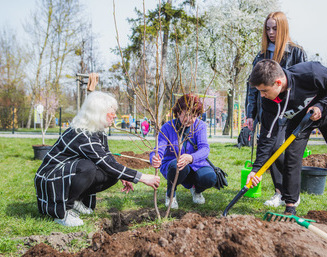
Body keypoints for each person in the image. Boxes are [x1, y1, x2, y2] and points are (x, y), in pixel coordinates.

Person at [246, 59, 327, 220]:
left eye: (264, 90)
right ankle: (290, 206)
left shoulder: (310, 72)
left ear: (278, 83)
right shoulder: (269, 101)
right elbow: (267, 136)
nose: (262, 95)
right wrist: (256, 169)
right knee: (291, 159)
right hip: (300, 120)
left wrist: (321, 106)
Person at [34, 91, 160, 227]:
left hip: (67, 174)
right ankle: (63, 211)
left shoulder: (98, 132)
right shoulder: (82, 134)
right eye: (111, 113)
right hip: (51, 179)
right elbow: (105, 163)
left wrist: (125, 176)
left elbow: (108, 158)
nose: (115, 116)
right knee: (87, 168)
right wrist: (142, 178)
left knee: (112, 174)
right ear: (98, 113)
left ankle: (76, 200)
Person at [245, 11, 307, 207]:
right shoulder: (261, 55)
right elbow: (252, 88)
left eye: (275, 28)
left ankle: (289, 191)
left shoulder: (296, 52)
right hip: (268, 112)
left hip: (289, 113)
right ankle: (281, 192)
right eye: (268, 28)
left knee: (281, 151)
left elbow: (301, 83)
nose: (271, 32)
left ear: (283, 28)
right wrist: (250, 114)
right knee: (271, 148)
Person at [150, 94, 217, 209]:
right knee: (178, 165)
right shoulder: (167, 127)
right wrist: (155, 158)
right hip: (173, 164)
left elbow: (205, 148)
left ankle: (196, 190)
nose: (190, 119)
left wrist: (191, 158)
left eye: (194, 116)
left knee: (209, 177)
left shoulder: (200, 126)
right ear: (178, 112)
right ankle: (170, 195)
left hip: (196, 163)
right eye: (186, 115)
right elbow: (158, 150)